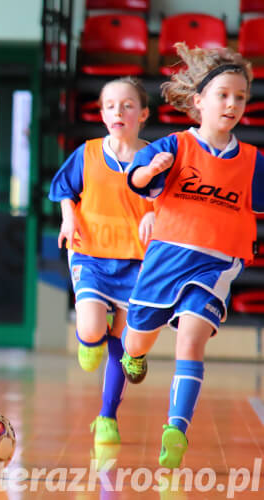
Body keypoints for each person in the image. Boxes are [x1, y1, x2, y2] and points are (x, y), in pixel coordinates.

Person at [120, 43, 264, 468]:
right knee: (138, 333)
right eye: (223, 94)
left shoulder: (254, 162)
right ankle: (135, 353)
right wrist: (151, 170)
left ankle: (176, 429)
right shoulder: (175, 146)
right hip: (166, 258)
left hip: (216, 263)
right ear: (199, 101)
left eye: (240, 97)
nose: (233, 104)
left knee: (192, 338)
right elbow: (137, 180)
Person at [49, 77, 155, 447]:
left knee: (122, 343)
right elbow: (64, 188)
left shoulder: (155, 158)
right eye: (110, 105)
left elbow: (171, 201)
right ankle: (87, 339)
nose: (118, 111)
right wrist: (68, 216)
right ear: (102, 113)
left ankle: (107, 416)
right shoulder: (89, 152)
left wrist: (156, 213)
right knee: (93, 329)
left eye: (127, 105)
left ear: (143, 113)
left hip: (136, 260)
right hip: (91, 253)